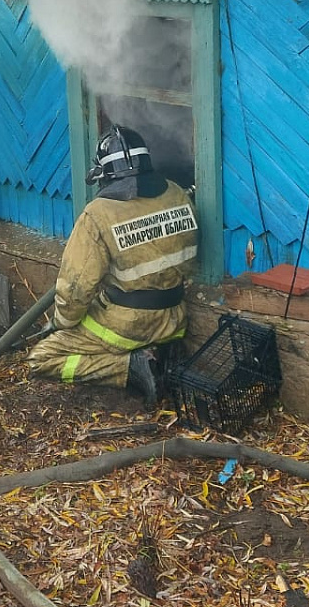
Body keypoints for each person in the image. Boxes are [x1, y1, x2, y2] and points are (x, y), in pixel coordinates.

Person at [28, 125, 198, 406]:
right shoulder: (178, 194)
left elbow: (75, 289)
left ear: (105, 176)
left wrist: (61, 323)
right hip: (174, 320)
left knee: (42, 358)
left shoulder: (97, 215)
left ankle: (131, 368)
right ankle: (159, 353)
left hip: (126, 327)